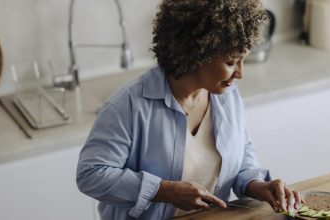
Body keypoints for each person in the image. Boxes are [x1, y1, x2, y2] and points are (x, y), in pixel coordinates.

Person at [76, 0, 302, 219]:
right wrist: (164, 191)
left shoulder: (227, 95)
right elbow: (91, 175)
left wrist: (257, 184)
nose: (240, 73)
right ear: (198, 52)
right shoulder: (128, 106)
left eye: (243, 60)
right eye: (231, 62)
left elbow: (241, 155)